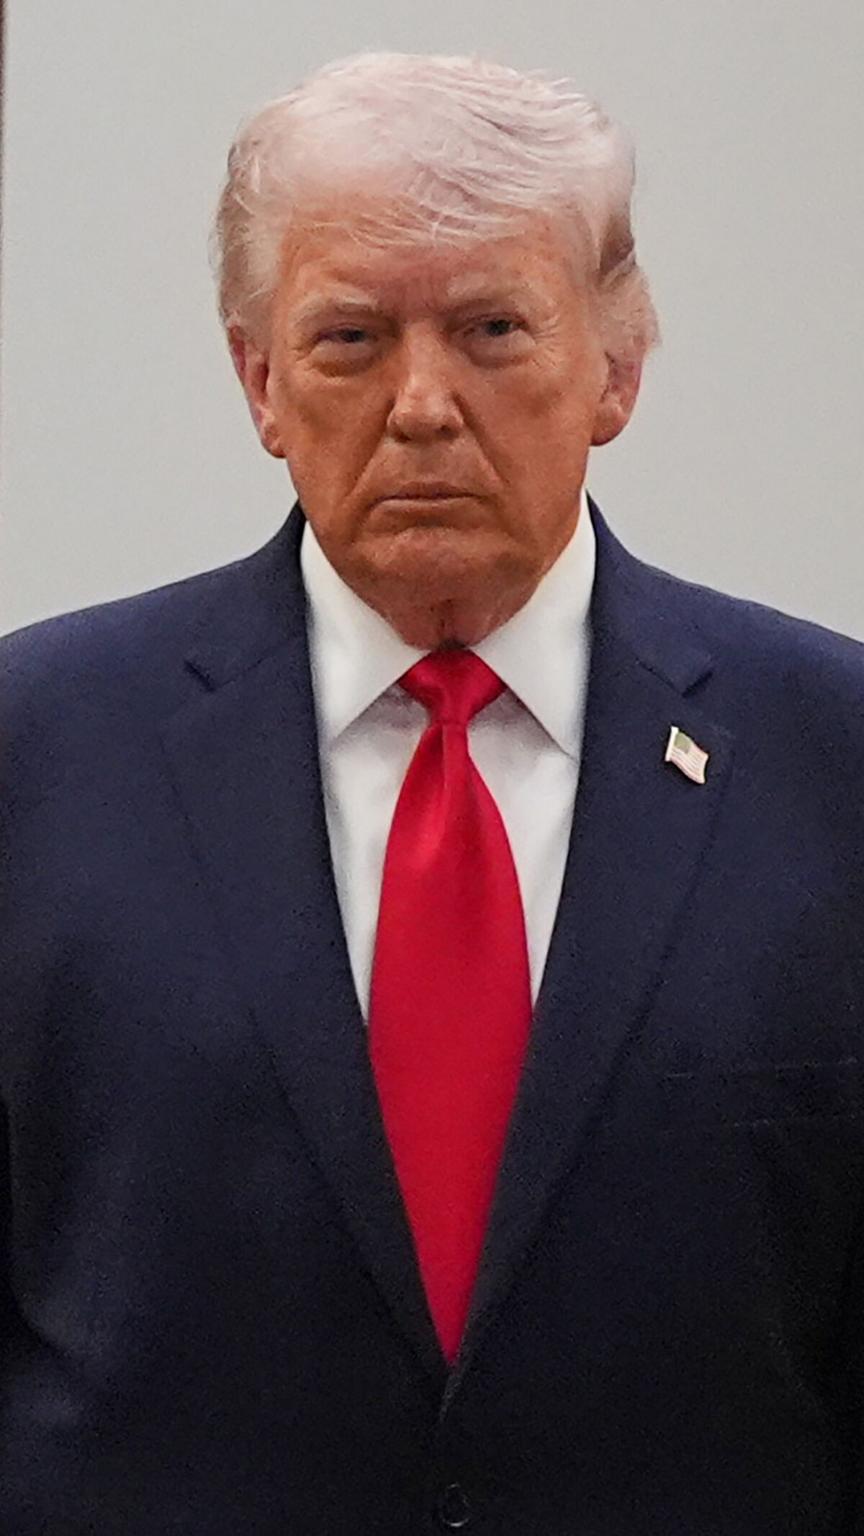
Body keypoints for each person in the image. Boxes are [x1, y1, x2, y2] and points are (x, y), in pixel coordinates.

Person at [2, 49, 863, 1536]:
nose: (420, 406)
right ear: (260, 383)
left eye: (491, 330)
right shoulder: (36, 753)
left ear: (617, 370)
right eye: (348, 338)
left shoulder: (831, 756)